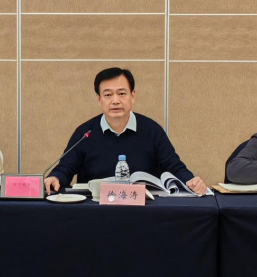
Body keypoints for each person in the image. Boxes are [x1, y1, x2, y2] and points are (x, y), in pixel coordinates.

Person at [44, 67, 207, 195]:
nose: (115, 101)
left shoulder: (152, 130)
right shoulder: (85, 133)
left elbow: (174, 166)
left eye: (122, 93)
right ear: (99, 100)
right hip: (95, 210)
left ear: (133, 96)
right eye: (108, 95)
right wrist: (55, 177)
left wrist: (190, 181)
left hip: (144, 210)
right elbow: (65, 168)